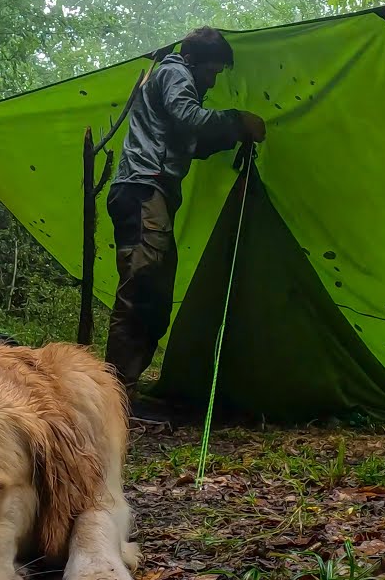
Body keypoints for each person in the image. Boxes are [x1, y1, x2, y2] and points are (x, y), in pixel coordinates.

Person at [104, 26, 266, 412]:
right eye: (211, 71)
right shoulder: (174, 70)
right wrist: (235, 119)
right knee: (141, 287)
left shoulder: (173, 78)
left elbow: (192, 140)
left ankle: (123, 389)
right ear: (193, 60)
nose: (212, 81)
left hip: (148, 193)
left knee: (156, 293)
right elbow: (188, 116)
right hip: (144, 189)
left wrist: (234, 135)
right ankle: (112, 397)